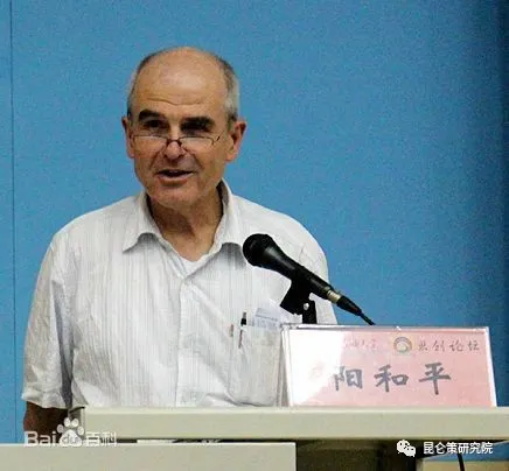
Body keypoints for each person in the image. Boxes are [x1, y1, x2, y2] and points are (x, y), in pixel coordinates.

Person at [22, 47, 337, 436]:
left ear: (233, 139)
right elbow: (44, 416)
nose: (173, 149)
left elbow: (325, 413)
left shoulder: (290, 250)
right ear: (129, 137)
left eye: (195, 128)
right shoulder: (76, 250)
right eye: (154, 127)